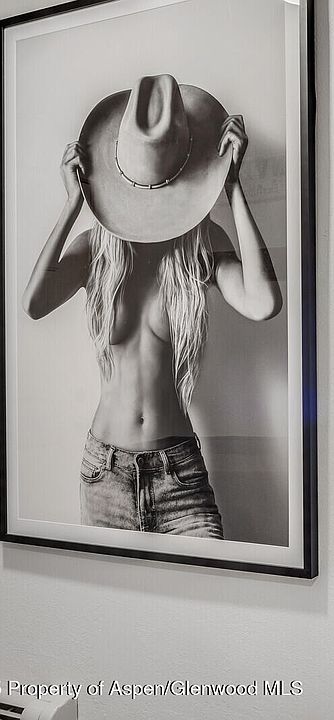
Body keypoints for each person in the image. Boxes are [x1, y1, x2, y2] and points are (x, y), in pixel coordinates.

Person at [21, 74, 282, 539]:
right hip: (105, 475)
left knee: (207, 585)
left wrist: (232, 186)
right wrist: (72, 205)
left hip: (178, 475)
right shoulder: (96, 250)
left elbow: (263, 303)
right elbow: (34, 303)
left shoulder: (200, 244)